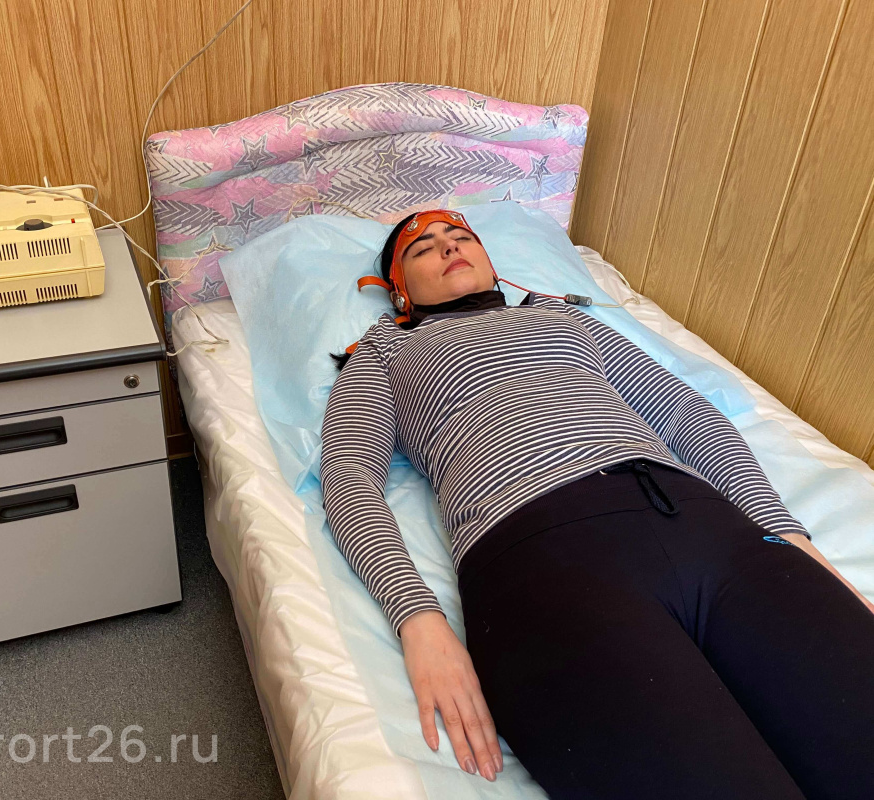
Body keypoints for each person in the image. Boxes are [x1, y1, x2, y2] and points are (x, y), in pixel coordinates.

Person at [320, 209, 874, 800]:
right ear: (399, 290)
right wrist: (418, 620)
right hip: (543, 560)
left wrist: (789, 538)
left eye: (461, 237)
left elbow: (684, 414)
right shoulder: (387, 351)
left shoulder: (564, 318)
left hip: (709, 529)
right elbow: (349, 477)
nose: (449, 248)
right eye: (423, 248)